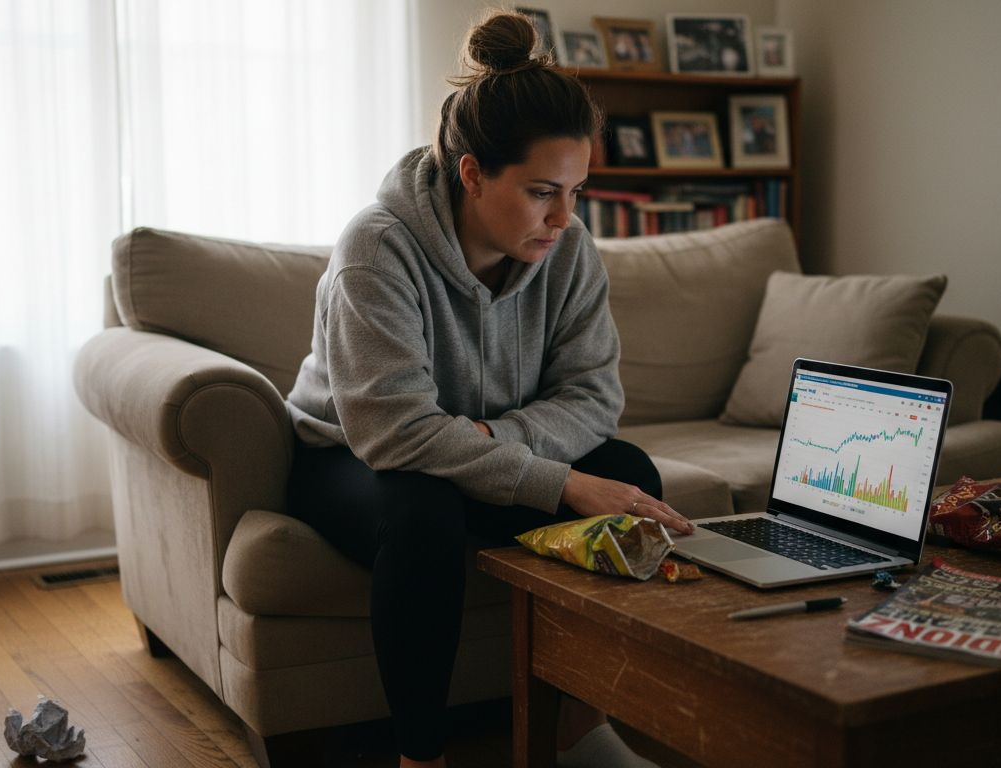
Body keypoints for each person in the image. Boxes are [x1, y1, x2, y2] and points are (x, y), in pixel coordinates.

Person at [285, 9, 695, 768]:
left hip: (483, 448)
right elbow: (394, 434)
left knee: (630, 473)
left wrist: (504, 444)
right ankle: (421, 757)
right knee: (423, 507)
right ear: (472, 173)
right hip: (348, 458)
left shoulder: (568, 248)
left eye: (575, 190)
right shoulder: (377, 249)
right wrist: (558, 482)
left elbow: (595, 397)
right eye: (543, 191)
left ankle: (581, 732)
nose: (564, 217)